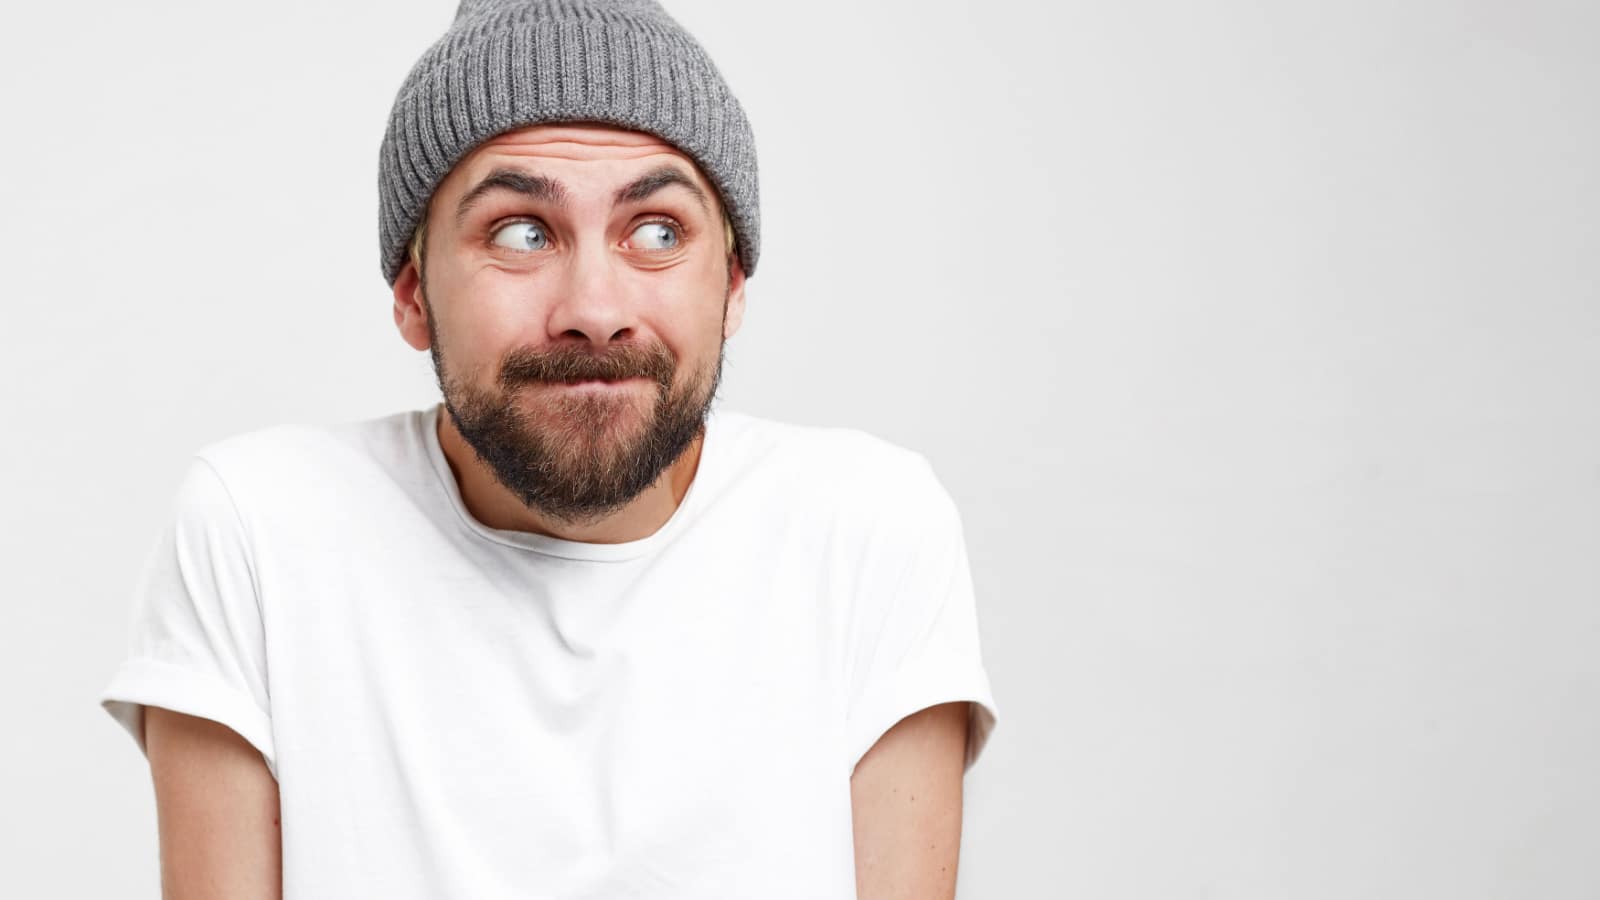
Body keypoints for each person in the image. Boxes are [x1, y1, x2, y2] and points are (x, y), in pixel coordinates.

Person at [98, 0, 999, 896]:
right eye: (521, 233)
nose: (595, 311)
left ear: (730, 286)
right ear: (414, 295)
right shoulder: (260, 529)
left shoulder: (867, 529)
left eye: (657, 233)